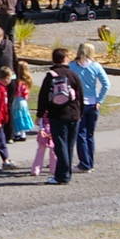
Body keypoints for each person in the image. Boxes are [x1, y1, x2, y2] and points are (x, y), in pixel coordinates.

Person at [38, 48, 84, 185]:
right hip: (74, 114)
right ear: (65, 58)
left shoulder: (50, 75)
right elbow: (80, 95)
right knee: (69, 145)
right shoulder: (73, 75)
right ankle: (65, 173)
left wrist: (40, 114)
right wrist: (80, 113)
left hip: (57, 114)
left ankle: (62, 176)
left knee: (60, 145)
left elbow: (43, 97)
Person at [69, 42, 110, 173]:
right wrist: (100, 100)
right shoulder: (95, 66)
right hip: (93, 103)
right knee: (90, 135)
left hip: (79, 103)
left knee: (80, 134)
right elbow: (106, 84)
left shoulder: (72, 66)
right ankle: (89, 162)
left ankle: (84, 163)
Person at [10, 61, 35, 143]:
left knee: (16, 116)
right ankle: (23, 133)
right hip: (23, 100)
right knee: (23, 116)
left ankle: (17, 133)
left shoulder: (17, 81)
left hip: (17, 99)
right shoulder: (26, 81)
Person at [29, 111, 55, 177]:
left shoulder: (44, 108)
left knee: (46, 151)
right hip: (48, 130)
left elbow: (38, 120)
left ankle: (37, 169)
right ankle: (53, 169)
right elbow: (39, 120)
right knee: (49, 151)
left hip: (49, 129)